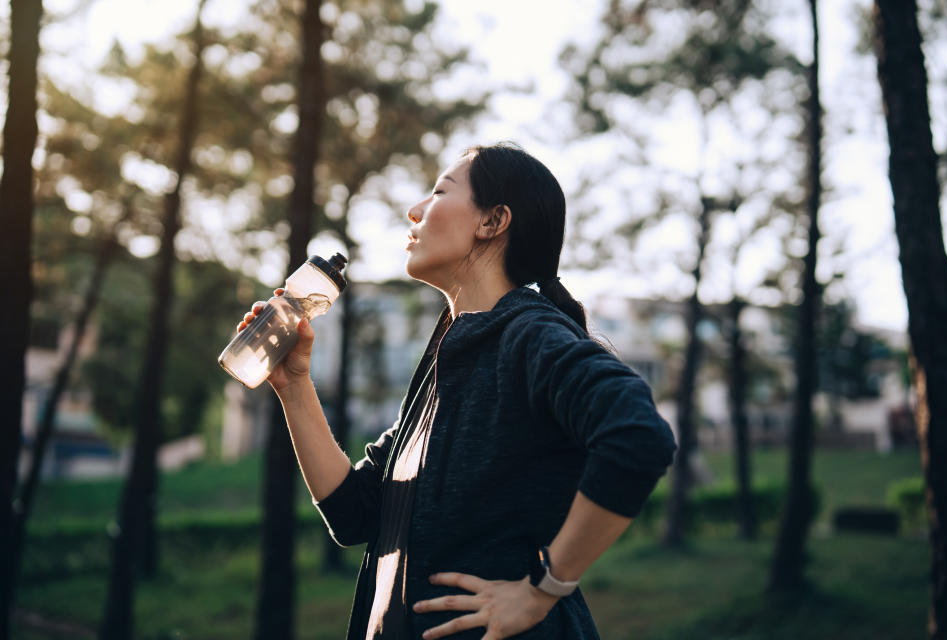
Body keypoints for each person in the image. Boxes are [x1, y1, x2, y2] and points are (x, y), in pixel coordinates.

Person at [237, 143, 677, 639]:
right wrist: (294, 386)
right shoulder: (446, 362)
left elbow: (638, 436)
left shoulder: (529, 336)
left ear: (492, 221)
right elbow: (353, 514)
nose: (415, 211)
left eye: (439, 191)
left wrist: (543, 590)